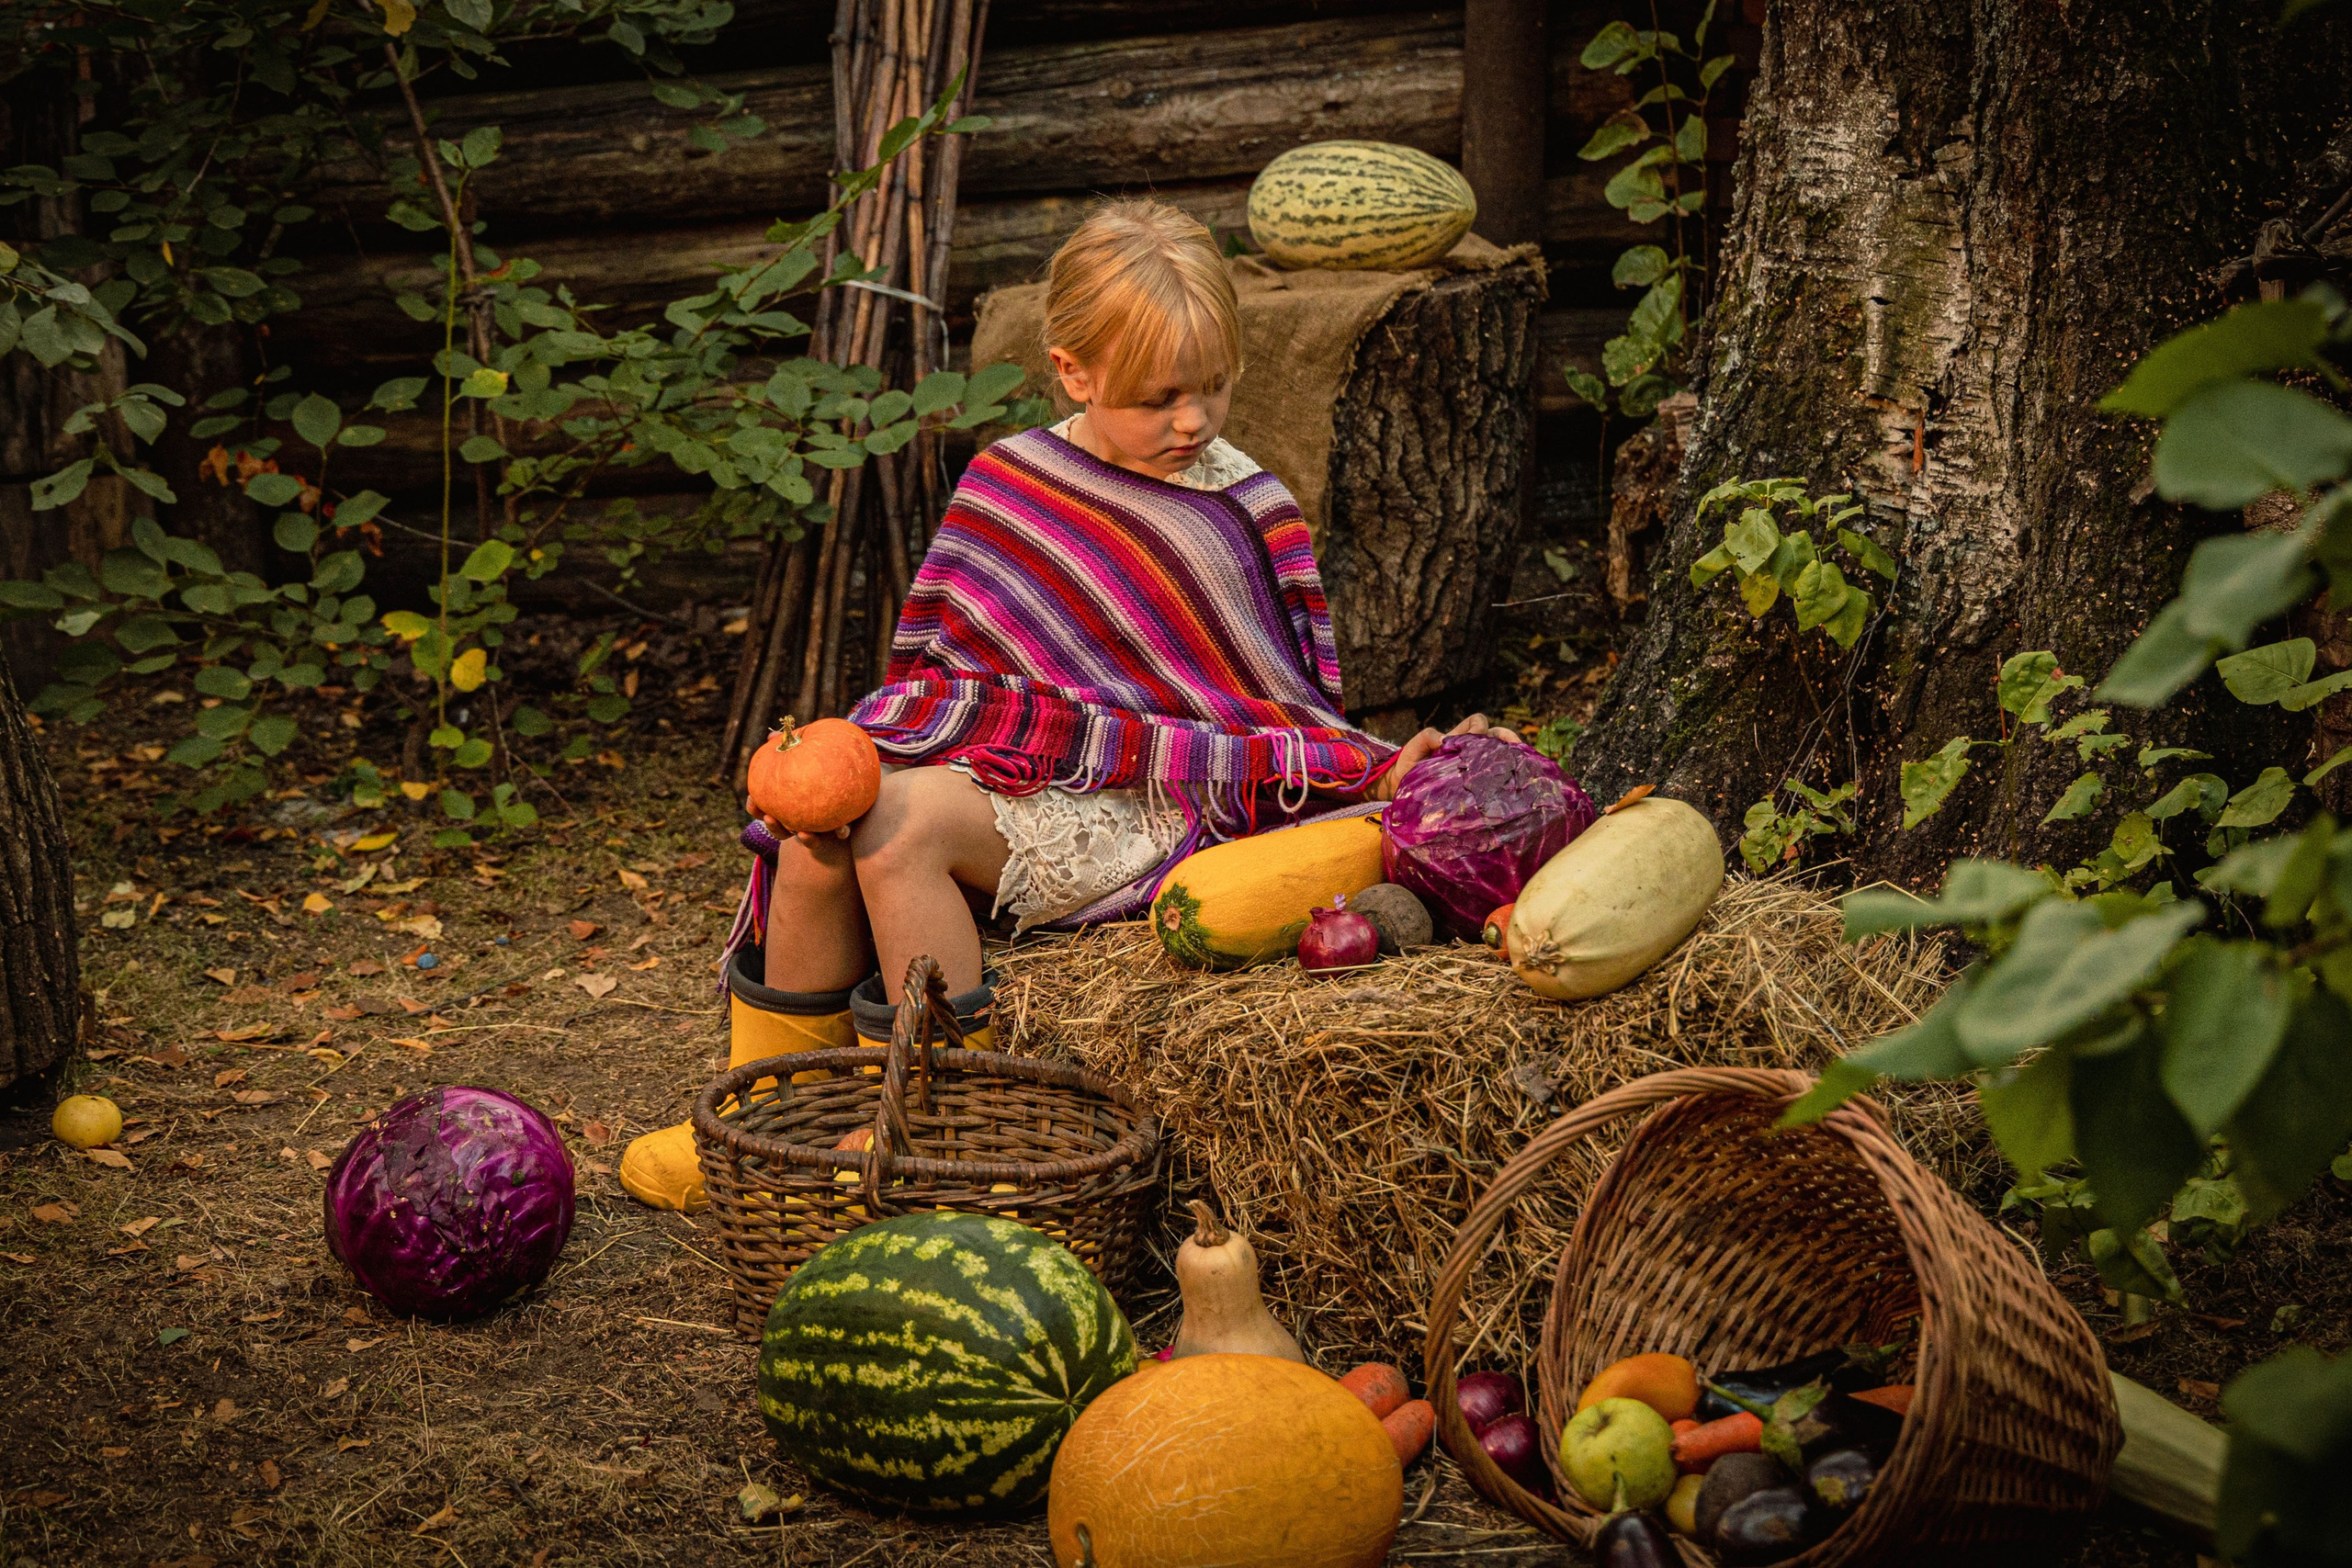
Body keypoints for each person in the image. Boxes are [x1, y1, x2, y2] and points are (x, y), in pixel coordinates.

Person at [621, 200, 1511, 1210]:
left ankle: (936, 1120)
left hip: (1149, 802)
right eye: (1158, 397)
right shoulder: (1010, 478)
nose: (1192, 420)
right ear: (1074, 372)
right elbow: (951, 675)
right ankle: (773, 1118)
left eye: (1213, 388)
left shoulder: (1242, 505)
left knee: (896, 830)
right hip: (1014, 772)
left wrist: (1373, 765)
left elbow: (1267, 707)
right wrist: (878, 750)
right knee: (816, 834)